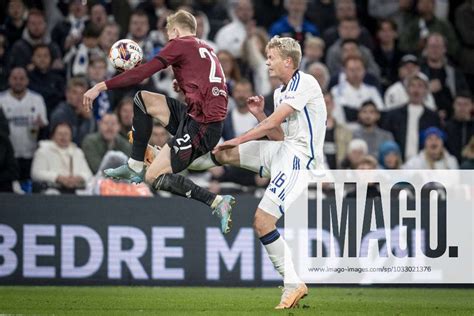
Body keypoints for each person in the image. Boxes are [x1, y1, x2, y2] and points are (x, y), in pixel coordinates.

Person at [191, 36, 326, 308]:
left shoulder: (307, 83)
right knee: (221, 153)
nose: (267, 62)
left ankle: (293, 283)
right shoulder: (279, 92)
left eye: (272, 57)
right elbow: (278, 134)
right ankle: (164, 159)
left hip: (300, 161)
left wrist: (241, 137)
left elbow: (275, 124)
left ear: (288, 61)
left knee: (263, 222)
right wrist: (259, 114)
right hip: (283, 150)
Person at [83, 10, 235, 234]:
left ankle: (215, 201)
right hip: (194, 116)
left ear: (175, 30)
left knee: (154, 176)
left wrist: (99, 86)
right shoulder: (206, 48)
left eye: (168, 35)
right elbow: (211, 86)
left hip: (203, 128)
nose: (168, 41)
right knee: (142, 100)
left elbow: (141, 73)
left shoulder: (180, 44)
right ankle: (134, 165)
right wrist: (182, 86)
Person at [0, 67, 48, 181]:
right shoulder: (1, 99)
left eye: (22, 78)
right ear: (9, 80)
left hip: (31, 153)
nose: (18, 81)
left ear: (27, 80)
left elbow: (44, 125)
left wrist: (41, 126)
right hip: (7, 156)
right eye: (15, 78)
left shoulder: (37, 99)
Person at [382, 72, 441, 161]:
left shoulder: (433, 117)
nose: (416, 90)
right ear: (407, 90)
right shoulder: (394, 115)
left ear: (426, 91)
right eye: (412, 86)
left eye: (420, 86)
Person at [31, 122, 92, 194]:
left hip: (76, 190)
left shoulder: (77, 152)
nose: (63, 137)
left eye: (66, 134)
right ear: (53, 136)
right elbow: (36, 173)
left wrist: (78, 178)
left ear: (71, 136)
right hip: (51, 190)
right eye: (60, 134)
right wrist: (58, 178)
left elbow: (88, 174)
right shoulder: (43, 151)